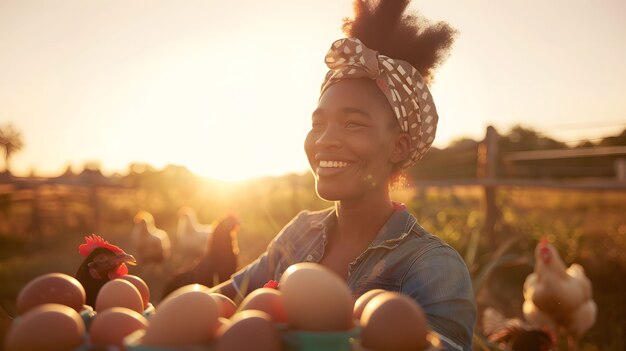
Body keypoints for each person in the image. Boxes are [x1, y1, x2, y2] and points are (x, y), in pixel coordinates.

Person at [211, 1, 476, 349]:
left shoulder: (432, 267)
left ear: (398, 147)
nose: (325, 141)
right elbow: (222, 300)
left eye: (352, 124)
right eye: (318, 124)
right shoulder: (299, 234)